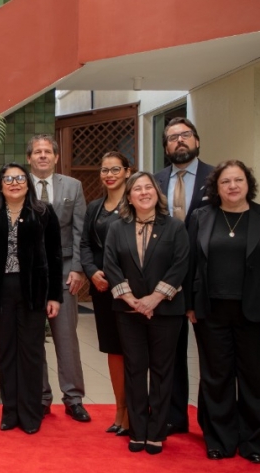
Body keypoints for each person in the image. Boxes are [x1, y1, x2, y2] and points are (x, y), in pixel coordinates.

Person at [186, 161, 260, 464]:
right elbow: (193, 263)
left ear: (248, 183)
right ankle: (219, 440)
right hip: (211, 311)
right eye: (225, 181)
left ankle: (254, 443)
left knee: (255, 379)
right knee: (216, 377)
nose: (232, 186)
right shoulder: (201, 217)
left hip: (255, 311)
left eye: (238, 180)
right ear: (215, 188)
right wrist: (190, 305)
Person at [0, 163, 63, 434]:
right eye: (8, 178)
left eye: (20, 178)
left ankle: (31, 414)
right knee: (7, 352)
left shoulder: (44, 212)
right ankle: (10, 412)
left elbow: (55, 256)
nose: (14, 182)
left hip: (34, 290)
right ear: (0, 185)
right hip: (0, 290)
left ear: (28, 183)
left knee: (31, 353)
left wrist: (55, 296)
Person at [103, 172, 189, 455]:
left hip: (166, 310)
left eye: (147, 187)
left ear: (157, 193)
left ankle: (156, 431)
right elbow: (111, 264)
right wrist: (132, 300)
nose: (143, 192)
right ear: (129, 196)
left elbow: (180, 265)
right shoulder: (117, 227)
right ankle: (137, 430)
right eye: (136, 189)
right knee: (135, 369)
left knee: (163, 371)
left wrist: (154, 299)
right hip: (128, 311)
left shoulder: (175, 227)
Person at [153, 117, 214, 435]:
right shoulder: (156, 181)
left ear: (197, 141)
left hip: (206, 279)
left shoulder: (216, 178)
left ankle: (211, 421)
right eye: (172, 137)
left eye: (185, 135)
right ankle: (174, 415)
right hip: (167, 282)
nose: (179, 141)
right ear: (166, 147)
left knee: (211, 355)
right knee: (170, 354)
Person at [25, 134, 90, 422]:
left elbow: (80, 232)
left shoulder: (72, 186)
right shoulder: (17, 184)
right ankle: (40, 397)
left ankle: (73, 397)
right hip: (26, 273)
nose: (42, 156)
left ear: (55, 157)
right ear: (29, 158)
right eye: (37, 152)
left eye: (47, 152)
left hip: (63, 271)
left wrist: (78, 268)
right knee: (33, 335)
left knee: (66, 336)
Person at [80, 151, 132, 436]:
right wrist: (91, 271)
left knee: (133, 350)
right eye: (104, 170)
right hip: (101, 289)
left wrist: (118, 278)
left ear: (127, 171)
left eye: (115, 169)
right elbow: (85, 244)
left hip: (131, 289)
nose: (109, 175)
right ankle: (119, 409)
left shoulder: (136, 203)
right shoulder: (95, 208)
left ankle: (136, 410)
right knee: (113, 349)